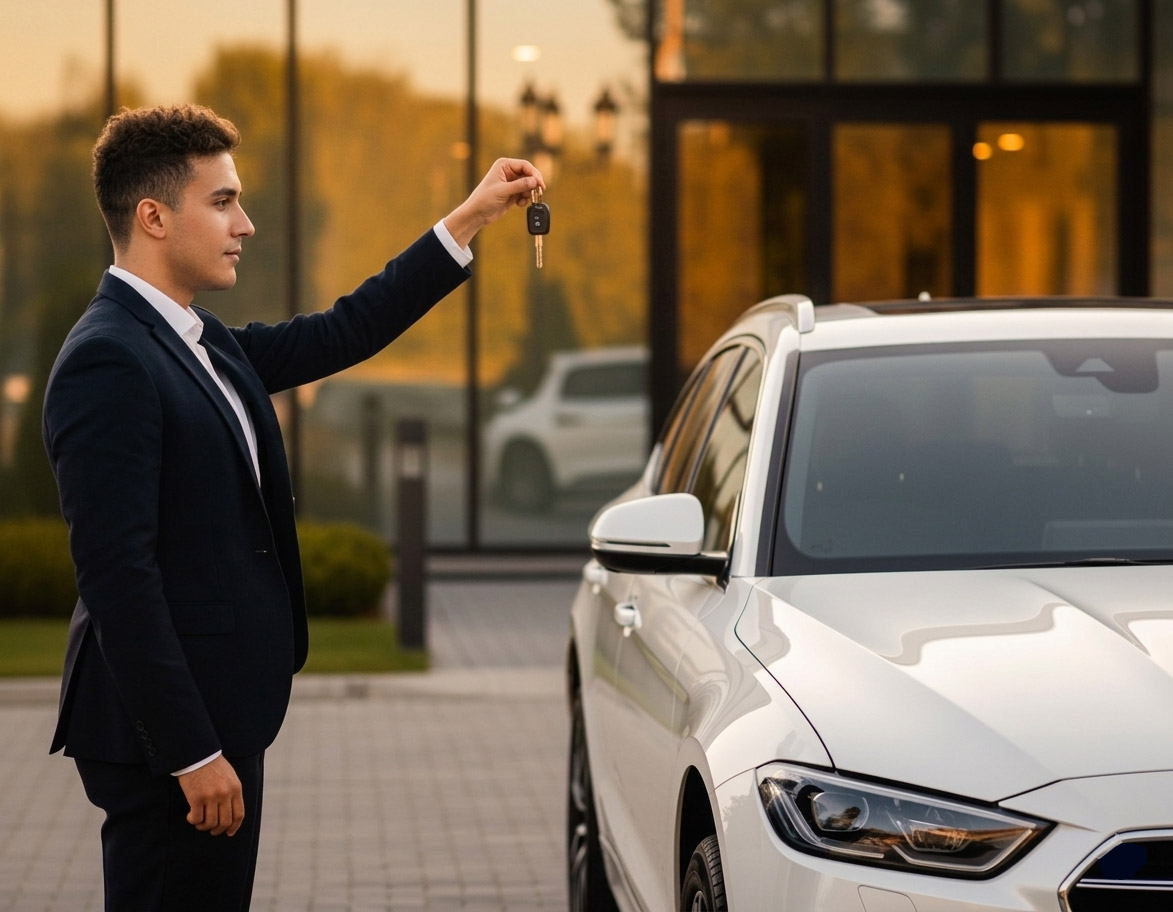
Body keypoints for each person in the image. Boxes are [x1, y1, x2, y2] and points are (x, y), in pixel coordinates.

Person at [42, 103, 543, 912]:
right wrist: (191, 752)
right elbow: (116, 577)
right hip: (174, 746)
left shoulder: (197, 340)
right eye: (222, 202)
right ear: (153, 217)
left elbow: (341, 331)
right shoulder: (109, 358)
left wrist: (468, 218)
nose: (245, 223)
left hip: (220, 722)